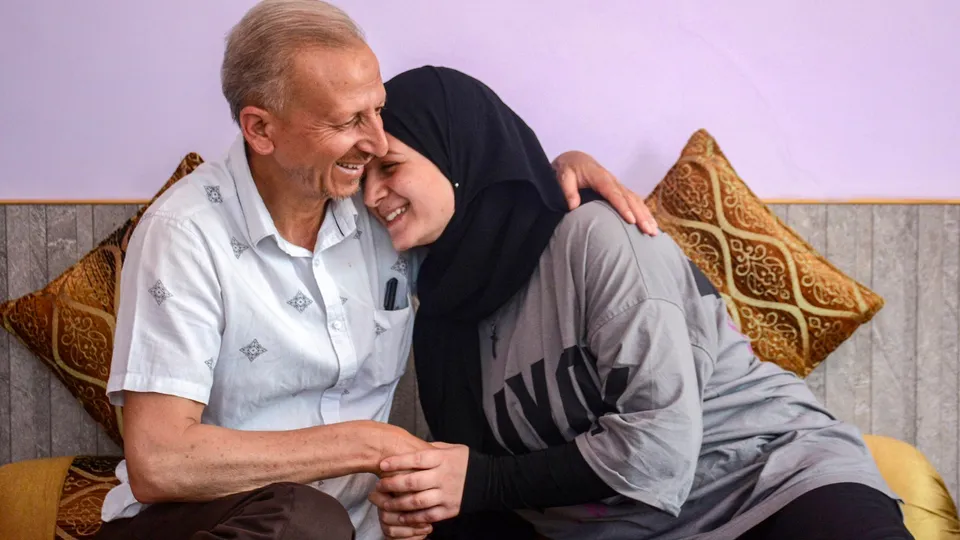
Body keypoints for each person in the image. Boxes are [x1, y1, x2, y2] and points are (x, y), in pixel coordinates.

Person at [94, 2, 660, 540]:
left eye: (378, 110)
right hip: (210, 523)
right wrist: (367, 445)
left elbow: (483, 190)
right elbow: (159, 462)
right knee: (305, 519)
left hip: (358, 528)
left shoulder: (379, 212)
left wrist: (562, 174)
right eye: (348, 121)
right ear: (261, 129)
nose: (377, 140)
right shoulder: (186, 233)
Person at [362, 66, 913, 540]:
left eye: (390, 167)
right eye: (362, 176)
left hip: (768, 479)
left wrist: (481, 482)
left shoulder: (593, 237)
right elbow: (478, 489)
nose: (370, 195)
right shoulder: (440, 312)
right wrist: (422, 504)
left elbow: (658, 446)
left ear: (458, 154)